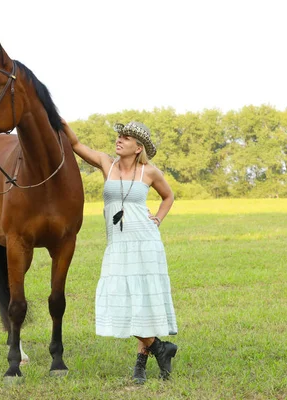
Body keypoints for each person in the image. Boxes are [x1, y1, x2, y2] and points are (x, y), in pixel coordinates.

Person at [61, 119, 178, 384]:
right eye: (120, 136)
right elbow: (76, 144)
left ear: (138, 148)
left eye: (126, 138)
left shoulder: (149, 171)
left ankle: (141, 363)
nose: (120, 140)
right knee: (118, 298)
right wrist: (61, 121)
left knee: (142, 300)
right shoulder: (106, 163)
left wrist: (158, 219)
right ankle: (160, 348)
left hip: (146, 242)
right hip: (118, 244)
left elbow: (168, 196)